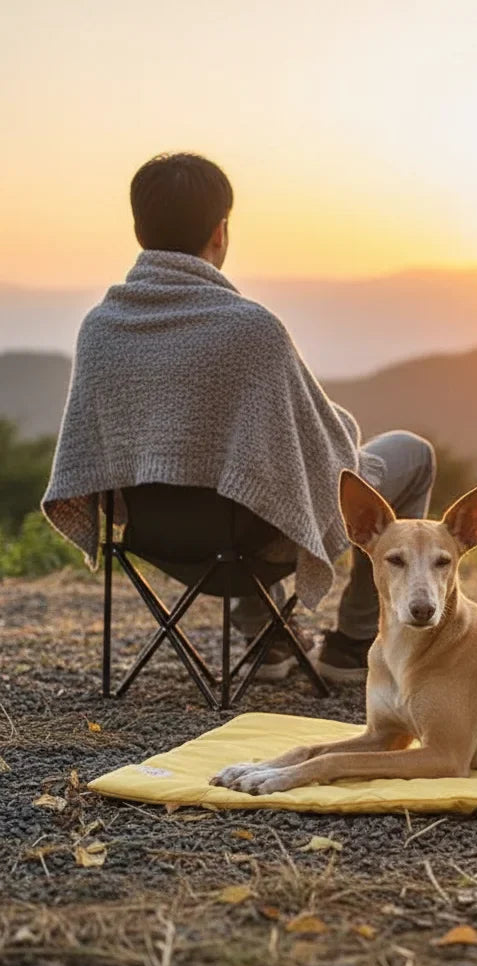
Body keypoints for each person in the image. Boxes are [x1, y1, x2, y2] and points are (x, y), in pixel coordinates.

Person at [43, 152, 435, 682]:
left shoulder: (99, 330)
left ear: (140, 230)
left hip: (150, 538)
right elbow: (323, 447)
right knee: (410, 452)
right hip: (246, 545)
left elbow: (92, 454)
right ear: (220, 232)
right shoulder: (251, 331)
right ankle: (355, 643)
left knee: (244, 467)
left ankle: (267, 642)